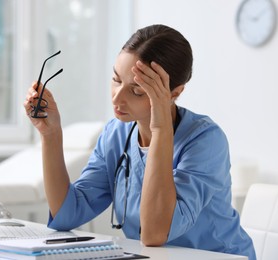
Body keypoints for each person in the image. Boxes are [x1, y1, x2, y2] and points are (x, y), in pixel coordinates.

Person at [23, 24, 256, 259]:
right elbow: (68, 213)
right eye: (116, 79)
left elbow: (154, 234)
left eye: (137, 91)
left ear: (174, 93)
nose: (117, 97)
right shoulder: (116, 134)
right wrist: (51, 134)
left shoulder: (205, 141)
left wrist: (160, 128)